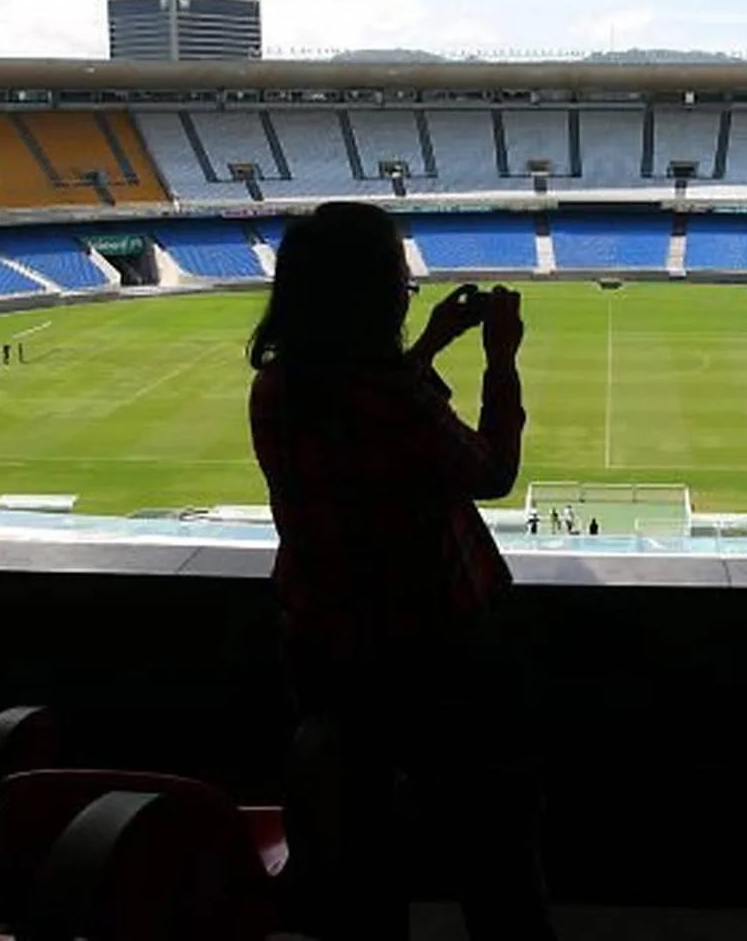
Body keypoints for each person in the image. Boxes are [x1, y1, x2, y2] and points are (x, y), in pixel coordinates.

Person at [247, 201, 555, 941]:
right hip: (438, 652)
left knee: (360, 850)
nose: (405, 291)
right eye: (399, 281)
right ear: (368, 294)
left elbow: (359, 403)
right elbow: (492, 471)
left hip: (325, 647)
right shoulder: (393, 401)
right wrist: (501, 361)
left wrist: (430, 344)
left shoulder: (278, 388)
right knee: (492, 846)